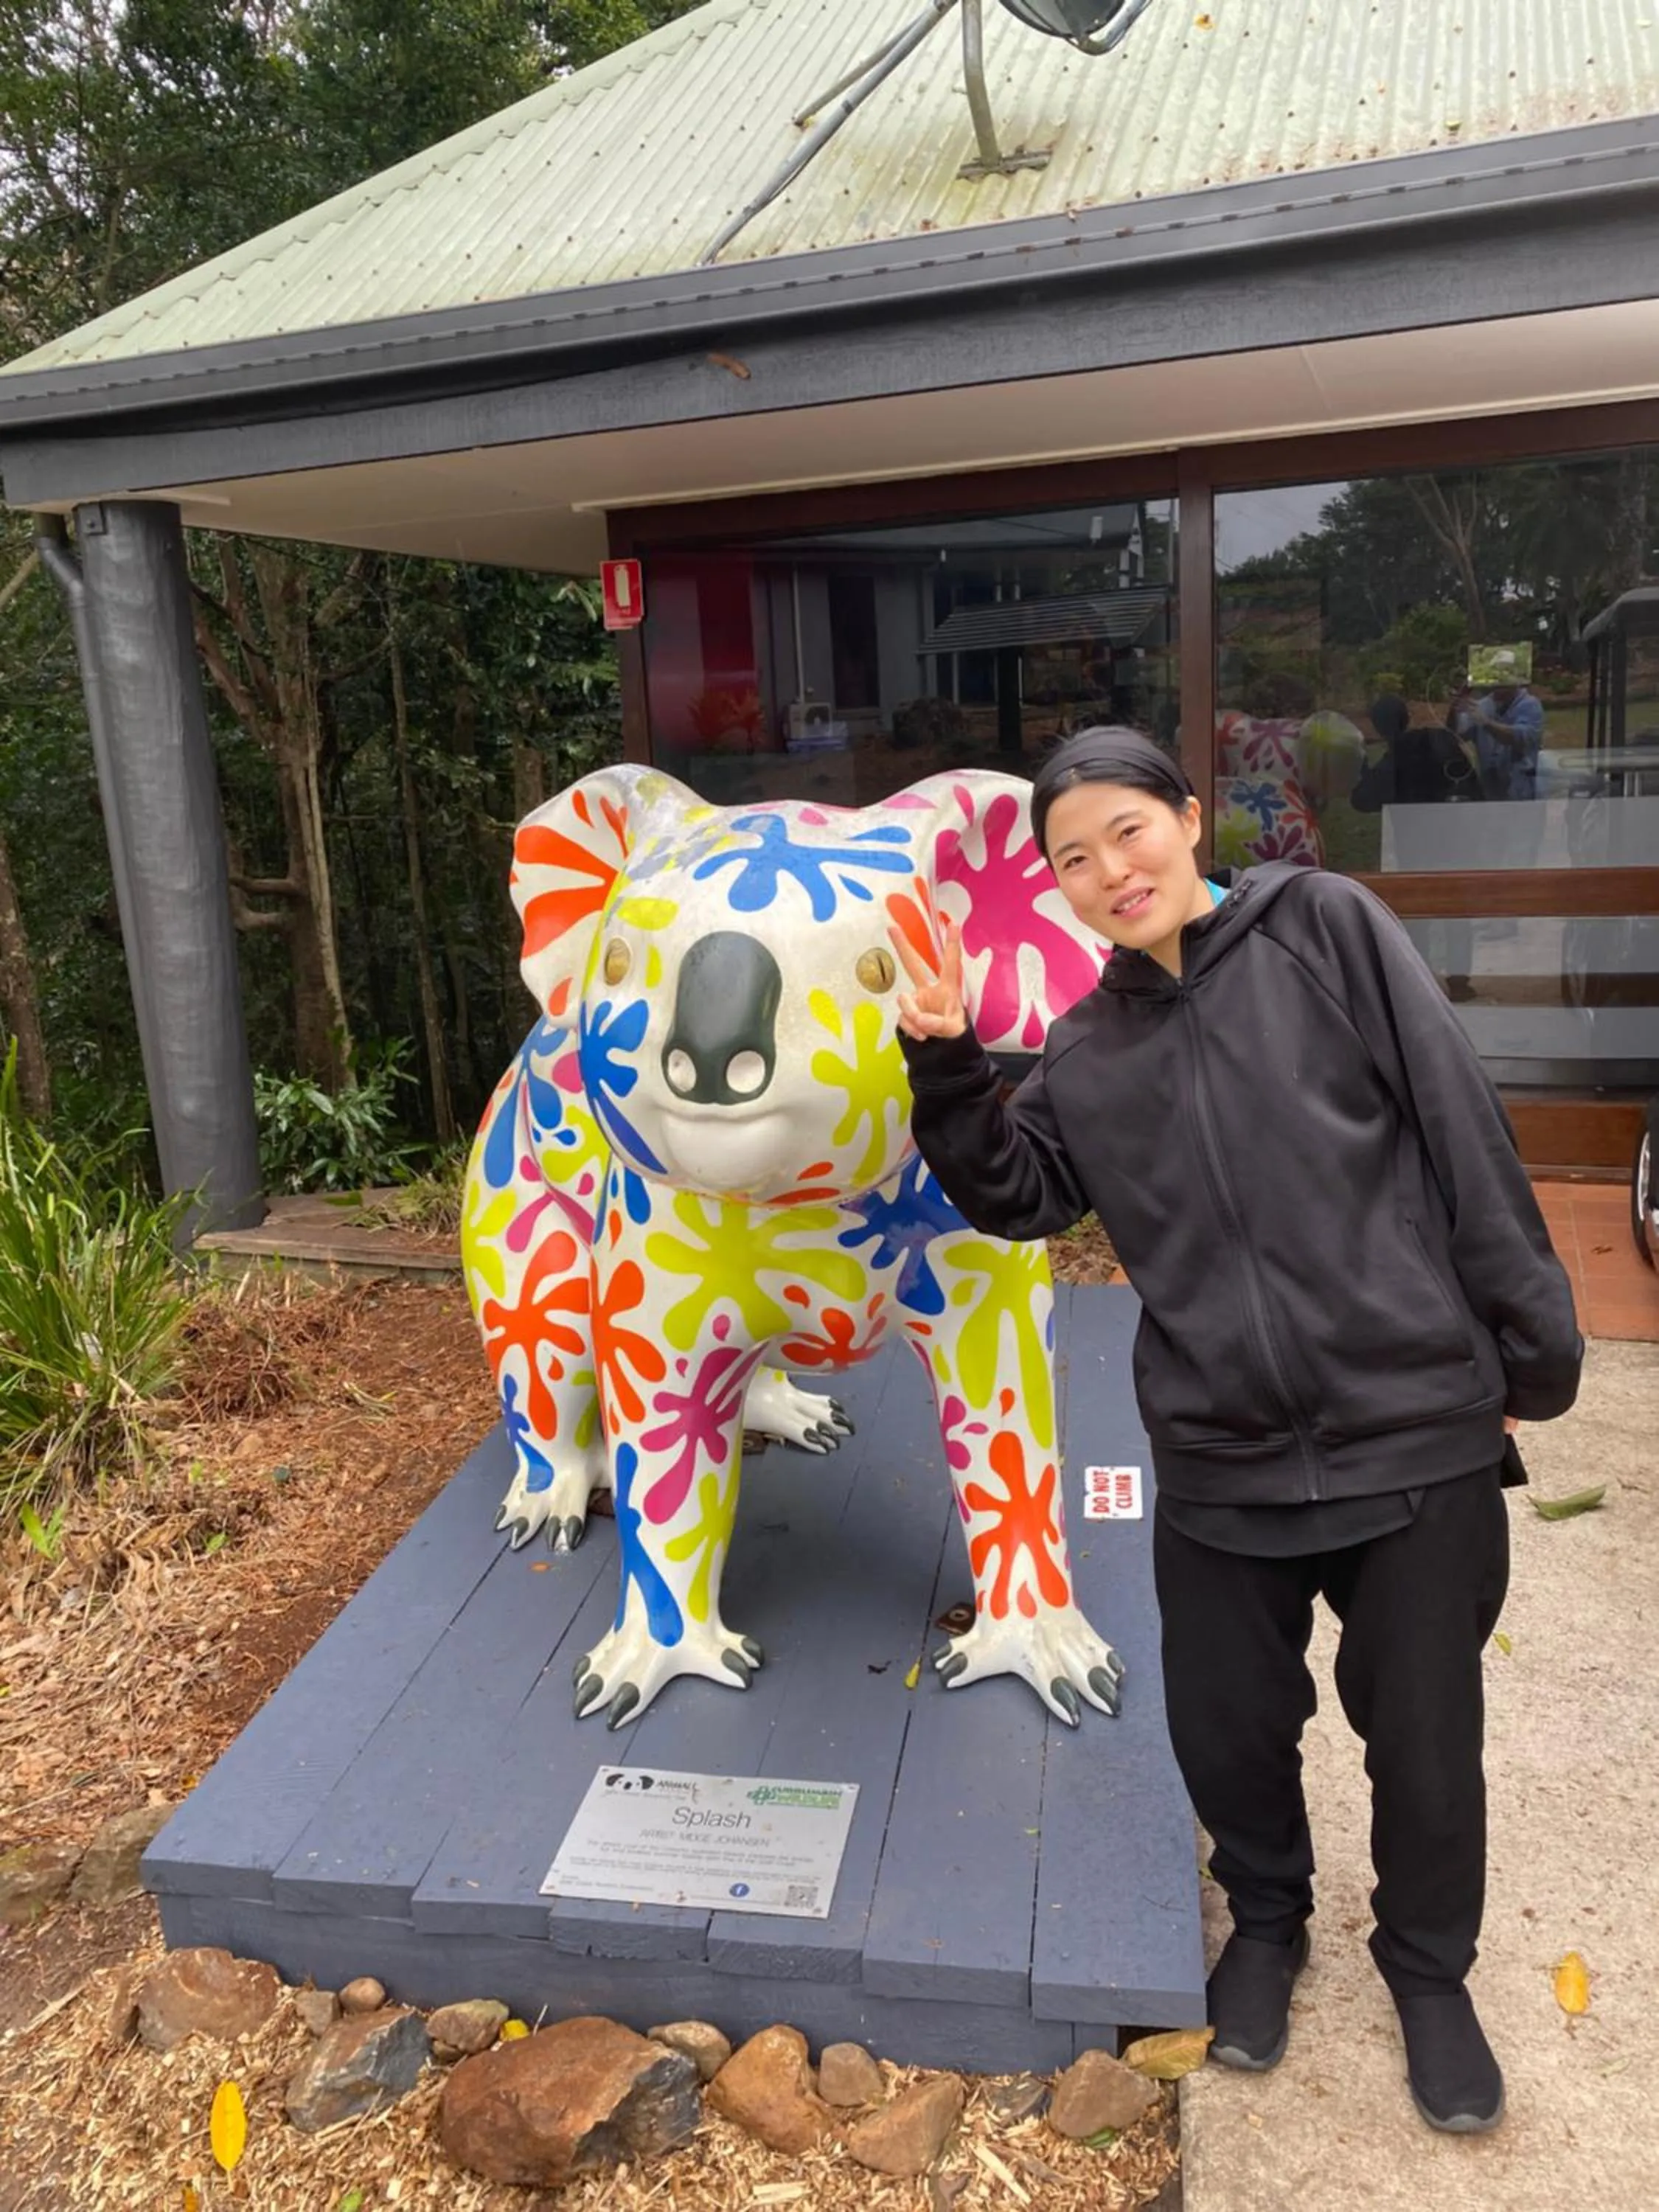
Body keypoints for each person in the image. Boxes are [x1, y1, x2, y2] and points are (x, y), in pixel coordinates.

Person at [890, 727, 1582, 2137]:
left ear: (1188, 818)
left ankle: (1427, 1974)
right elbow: (1018, 1199)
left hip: (1407, 1430)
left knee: (1427, 1740)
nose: (1105, 872)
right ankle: (1265, 1924)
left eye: (1125, 833)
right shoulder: (1084, 1046)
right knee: (1227, 1728)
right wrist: (948, 1058)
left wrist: (1531, 1338)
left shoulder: (1324, 928)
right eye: (1070, 860)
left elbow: (1456, 1120)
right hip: (1219, 1448)